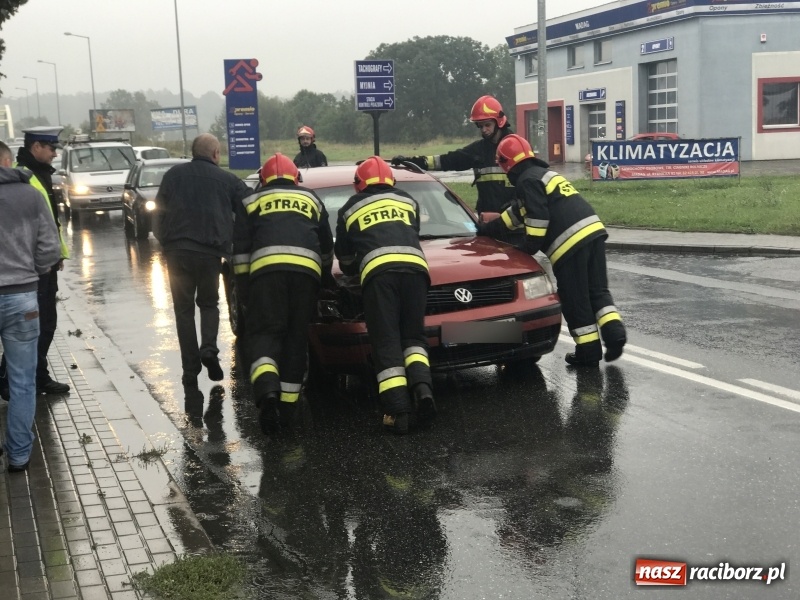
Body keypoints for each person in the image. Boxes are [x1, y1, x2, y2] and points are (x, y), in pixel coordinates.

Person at [478, 134, 626, 367]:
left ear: (506, 163)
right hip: (593, 231)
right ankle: (615, 334)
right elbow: (514, 216)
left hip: (570, 244)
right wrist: (486, 229)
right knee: (597, 290)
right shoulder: (542, 175)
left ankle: (588, 352)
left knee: (574, 298)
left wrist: (525, 249)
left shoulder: (526, 181)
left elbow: (538, 219)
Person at [232, 153, 334, 432]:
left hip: (265, 275)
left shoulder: (250, 201)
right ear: (295, 178)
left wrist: (244, 292)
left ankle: (267, 396)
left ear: (263, 180)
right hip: (306, 276)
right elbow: (326, 247)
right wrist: (325, 280)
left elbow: (240, 252)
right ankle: (288, 412)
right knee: (294, 339)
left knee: (264, 334)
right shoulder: (311, 198)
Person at [334, 157, 434, 434]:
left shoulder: (349, 208)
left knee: (387, 342)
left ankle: (398, 411)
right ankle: (423, 390)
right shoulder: (408, 201)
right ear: (391, 181)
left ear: (359, 184)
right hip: (417, 272)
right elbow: (411, 233)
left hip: (380, 277)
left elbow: (344, 259)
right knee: (413, 337)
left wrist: (358, 265)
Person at [154, 134, 251, 386]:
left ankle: (190, 369)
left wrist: (166, 241)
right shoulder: (227, 180)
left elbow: (157, 212)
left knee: (183, 311)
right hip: (209, 255)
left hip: (177, 254)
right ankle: (208, 349)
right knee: (208, 304)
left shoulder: (173, 175)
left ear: (193, 151)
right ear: (216, 154)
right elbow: (248, 206)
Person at [0, 140, 61, 472]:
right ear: (8, 161)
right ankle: (19, 455)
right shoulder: (30, 195)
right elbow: (50, 249)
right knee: (23, 380)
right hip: (22, 296)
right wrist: (32, 271)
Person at [0, 126, 71, 400]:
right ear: (36, 147)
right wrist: (43, 264)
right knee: (37, 327)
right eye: (51, 148)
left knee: (44, 325)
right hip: (30, 270)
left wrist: (57, 256)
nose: (54, 154)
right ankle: (12, 378)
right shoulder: (24, 178)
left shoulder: (38, 175)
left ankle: (37, 375)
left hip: (41, 265)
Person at [391, 95, 515, 214]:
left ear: (499, 122)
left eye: (487, 125)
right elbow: (447, 160)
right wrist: (412, 161)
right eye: (480, 126)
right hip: (489, 224)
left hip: (515, 229)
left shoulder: (517, 148)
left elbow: (529, 186)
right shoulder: (478, 150)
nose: (483, 130)